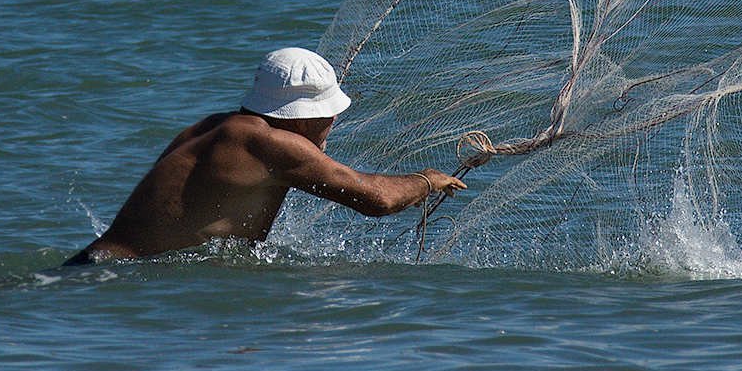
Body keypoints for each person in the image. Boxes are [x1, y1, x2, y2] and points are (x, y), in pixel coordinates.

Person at [68, 47, 474, 265]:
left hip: (92, 266)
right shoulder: (269, 144)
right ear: (304, 117)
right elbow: (377, 200)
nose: (334, 120)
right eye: (329, 113)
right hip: (115, 276)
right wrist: (428, 180)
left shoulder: (214, 126)